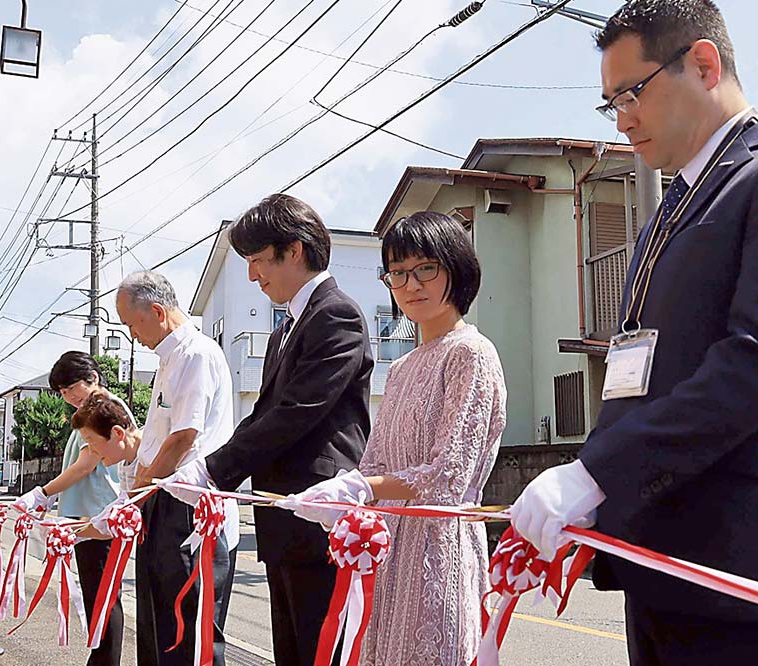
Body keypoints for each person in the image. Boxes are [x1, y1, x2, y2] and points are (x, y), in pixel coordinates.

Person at [508, 2, 758, 665]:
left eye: (630, 93)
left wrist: (593, 476)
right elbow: (637, 379)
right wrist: (592, 492)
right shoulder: (667, 213)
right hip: (663, 573)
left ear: (702, 63)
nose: (622, 119)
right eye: (608, 104)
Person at [285, 211, 507, 665]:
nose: (411, 285)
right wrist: (344, 496)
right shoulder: (402, 368)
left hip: (440, 549)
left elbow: (447, 476)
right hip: (386, 553)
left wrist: (362, 488)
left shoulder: (472, 353)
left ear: (457, 269)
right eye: (398, 274)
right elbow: (375, 462)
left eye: (426, 268)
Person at [165, 193, 374, 666]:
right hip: (283, 516)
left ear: (294, 251)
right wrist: (209, 470)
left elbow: (297, 411)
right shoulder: (285, 329)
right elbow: (262, 415)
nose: (252, 275)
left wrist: (214, 472)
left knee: (322, 650)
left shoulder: (336, 315)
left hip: (321, 516)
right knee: (292, 651)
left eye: (258, 260)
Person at [115, 270, 237, 666]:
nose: (133, 334)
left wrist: (140, 489)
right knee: (158, 625)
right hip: (162, 502)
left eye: (132, 323)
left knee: (187, 630)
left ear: (156, 311)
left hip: (190, 509)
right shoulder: (169, 359)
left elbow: (184, 436)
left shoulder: (195, 354)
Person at [14, 351, 137, 666]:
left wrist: (42, 493)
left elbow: (84, 466)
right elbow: (76, 465)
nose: (68, 397)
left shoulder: (106, 411)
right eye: (62, 392)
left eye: (71, 389)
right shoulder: (87, 412)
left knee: (104, 599)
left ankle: (104, 661)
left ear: (92, 379)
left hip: (99, 518)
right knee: (97, 598)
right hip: (84, 518)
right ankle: (100, 659)